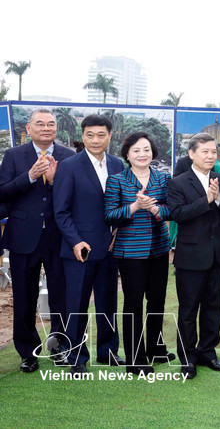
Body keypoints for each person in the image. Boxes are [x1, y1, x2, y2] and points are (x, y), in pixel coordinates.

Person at [0, 109, 74, 373]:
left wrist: (54, 181)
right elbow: (3, 192)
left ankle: (59, 347)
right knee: (23, 296)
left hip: (59, 236)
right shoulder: (13, 155)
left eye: (50, 124)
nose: (46, 128)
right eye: (40, 124)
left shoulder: (69, 156)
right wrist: (30, 176)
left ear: (56, 128)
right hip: (23, 236)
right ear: (28, 129)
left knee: (61, 296)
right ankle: (28, 352)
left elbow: (74, 195)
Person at [53, 114, 124, 374]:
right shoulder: (69, 166)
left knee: (108, 303)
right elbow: (61, 211)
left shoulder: (117, 164)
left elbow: (121, 203)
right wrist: (75, 241)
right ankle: (76, 357)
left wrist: (118, 230)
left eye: (101, 135)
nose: (95, 140)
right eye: (90, 135)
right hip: (79, 250)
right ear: (82, 136)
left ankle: (107, 351)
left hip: (110, 248)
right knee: (77, 305)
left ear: (110, 136)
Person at [167, 132, 220, 379]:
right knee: (188, 310)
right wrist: (206, 200)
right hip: (190, 257)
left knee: (213, 308)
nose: (210, 156)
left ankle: (208, 352)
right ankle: (187, 358)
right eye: (205, 151)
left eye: (213, 152)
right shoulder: (178, 183)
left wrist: (218, 200)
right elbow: (178, 214)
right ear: (192, 154)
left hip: (217, 255)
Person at [103, 132, 174, 375]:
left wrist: (154, 209)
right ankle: (135, 358)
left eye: (146, 149)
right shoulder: (117, 180)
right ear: (127, 154)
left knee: (157, 300)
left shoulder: (163, 178)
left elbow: (172, 210)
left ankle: (156, 348)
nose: (142, 154)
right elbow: (109, 215)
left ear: (153, 152)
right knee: (133, 303)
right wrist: (135, 206)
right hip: (130, 251)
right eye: (136, 150)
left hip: (159, 248)